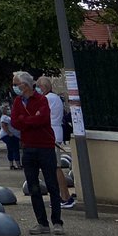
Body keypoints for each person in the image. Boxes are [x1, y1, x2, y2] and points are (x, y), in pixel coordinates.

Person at [12, 71, 64, 236]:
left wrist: (25, 120)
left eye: (16, 84)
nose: (14, 87)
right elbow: (15, 122)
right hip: (28, 147)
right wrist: (30, 120)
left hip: (45, 146)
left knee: (52, 185)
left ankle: (57, 221)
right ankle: (42, 222)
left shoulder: (42, 100)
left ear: (25, 85)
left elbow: (42, 119)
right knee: (33, 186)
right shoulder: (18, 102)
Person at [37, 76, 75, 208]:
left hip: (50, 135)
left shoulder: (47, 99)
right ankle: (63, 196)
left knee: (55, 167)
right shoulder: (55, 98)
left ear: (43, 88)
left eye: (38, 86)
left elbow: (37, 115)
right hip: (54, 133)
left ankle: (65, 197)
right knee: (54, 167)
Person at [0, 106, 22, 170]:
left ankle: (11, 164)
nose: (9, 110)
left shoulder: (7, 117)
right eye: (7, 109)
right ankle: (18, 165)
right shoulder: (5, 117)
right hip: (9, 135)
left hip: (8, 135)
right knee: (15, 149)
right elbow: (3, 125)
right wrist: (9, 133)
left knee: (10, 149)